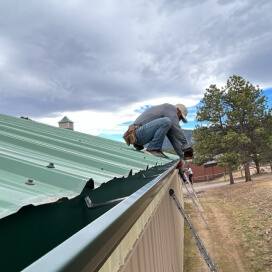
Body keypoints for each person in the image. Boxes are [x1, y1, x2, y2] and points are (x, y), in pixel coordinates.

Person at [125, 103, 193, 159]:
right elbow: (177, 129)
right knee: (166, 121)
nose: (178, 120)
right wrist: (186, 145)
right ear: (177, 110)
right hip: (137, 133)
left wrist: (184, 158)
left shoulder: (166, 121)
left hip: (139, 136)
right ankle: (153, 149)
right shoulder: (170, 108)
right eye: (180, 117)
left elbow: (174, 139)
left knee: (167, 123)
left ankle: (154, 149)